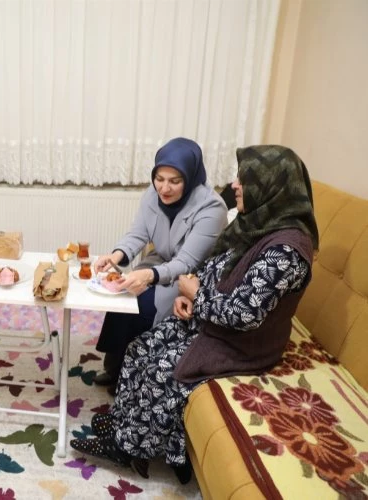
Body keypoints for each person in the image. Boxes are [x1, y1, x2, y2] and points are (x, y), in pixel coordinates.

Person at [71, 145, 319, 484]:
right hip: (210, 320)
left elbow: (245, 315)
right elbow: (217, 264)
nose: (234, 185)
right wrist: (193, 295)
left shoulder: (286, 251)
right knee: (139, 349)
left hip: (242, 343)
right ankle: (123, 424)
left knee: (163, 368)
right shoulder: (258, 223)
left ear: (270, 187)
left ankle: (128, 448)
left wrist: (195, 294)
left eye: (243, 179)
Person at [92, 137, 228, 390]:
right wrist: (116, 256)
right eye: (159, 179)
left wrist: (148, 276)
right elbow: (138, 233)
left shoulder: (212, 208)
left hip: (190, 277)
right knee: (122, 295)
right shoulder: (152, 194)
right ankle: (114, 368)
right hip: (160, 262)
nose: (164, 188)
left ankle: (132, 377)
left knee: (143, 305)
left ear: (191, 177)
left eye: (175, 181)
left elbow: (186, 262)